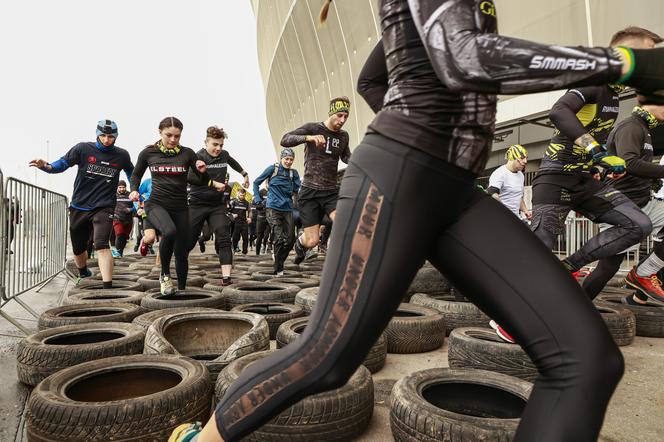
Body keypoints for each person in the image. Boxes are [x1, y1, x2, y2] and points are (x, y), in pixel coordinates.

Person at [174, 0, 664, 440]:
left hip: (457, 192)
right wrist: (625, 62)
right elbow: (464, 57)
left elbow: (378, 75)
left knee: (588, 359)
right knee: (328, 357)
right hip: (400, 173)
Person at [530, 27, 661, 278]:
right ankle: (506, 313)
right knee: (538, 253)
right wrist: (595, 149)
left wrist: (599, 165)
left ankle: (568, 266)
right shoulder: (593, 82)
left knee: (639, 225)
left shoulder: (614, 95)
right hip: (556, 179)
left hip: (588, 182)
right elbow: (559, 112)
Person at [29, 120, 133, 287]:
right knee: (79, 247)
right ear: (97, 134)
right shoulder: (83, 149)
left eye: (111, 136)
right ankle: (83, 271)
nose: (107, 140)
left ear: (116, 137)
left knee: (101, 244)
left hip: (104, 205)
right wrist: (46, 166)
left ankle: (108, 287)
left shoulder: (122, 155)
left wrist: (134, 188)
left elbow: (131, 172)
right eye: (103, 136)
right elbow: (62, 164)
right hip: (80, 205)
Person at [582, 100, 664, 303]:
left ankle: (644, 273)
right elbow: (629, 163)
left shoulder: (644, 129)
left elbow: (638, 167)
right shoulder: (631, 126)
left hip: (644, 203)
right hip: (622, 208)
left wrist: (652, 181)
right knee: (609, 266)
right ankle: (578, 306)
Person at [129, 117, 223, 295]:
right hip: (156, 204)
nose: (173, 140)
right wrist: (133, 190)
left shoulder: (187, 154)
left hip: (180, 208)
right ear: (160, 132)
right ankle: (164, 275)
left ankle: (181, 289)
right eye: (168, 135)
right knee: (169, 232)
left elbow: (199, 180)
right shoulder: (148, 153)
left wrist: (203, 171)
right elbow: (135, 175)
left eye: (177, 136)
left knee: (182, 252)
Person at [280, 96, 351, 264]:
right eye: (339, 115)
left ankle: (342, 259)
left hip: (330, 191)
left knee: (344, 221)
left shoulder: (343, 136)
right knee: (312, 241)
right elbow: (285, 139)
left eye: (346, 116)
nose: (342, 120)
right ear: (331, 113)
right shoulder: (313, 128)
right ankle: (300, 244)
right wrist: (308, 138)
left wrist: (362, 160)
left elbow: (346, 156)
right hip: (310, 191)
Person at [188, 126, 250, 285]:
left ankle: (227, 278)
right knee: (188, 241)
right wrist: (212, 183)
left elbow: (232, 162)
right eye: (215, 144)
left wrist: (244, 174)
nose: (218, 148)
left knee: (224, 238)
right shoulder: (198, 157)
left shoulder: (224, 155)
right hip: (197, 203)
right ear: (206, 142)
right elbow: (189, 178)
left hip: (217, 205)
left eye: (221, 145)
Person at [252, 148, 301, 275]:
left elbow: (296, 189)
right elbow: (256, 183)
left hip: (287, 209)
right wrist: (257, 198)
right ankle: (278, 269)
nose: (289, 162)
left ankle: (279, 260)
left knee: (290, 240)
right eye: (286, 159)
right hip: (273, 208)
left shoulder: (293, 173)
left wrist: (296, 184)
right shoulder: (272, 169)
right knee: (279, 238)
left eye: (291, 159)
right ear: (281, 158)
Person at [487, 144, 531, 220]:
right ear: (512, 158)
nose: (525, 161)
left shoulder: (521, 175)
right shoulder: (500, 173)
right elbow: (492, 193)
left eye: (526, 158)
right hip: (501, 218)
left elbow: (518, 197)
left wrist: (526, 211)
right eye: (522, 158)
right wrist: (506, 212)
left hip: (515, 218)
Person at [111, 180, 134, 257]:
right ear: (117, 187)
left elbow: (137, 205)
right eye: (120, 187)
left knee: (124, 237)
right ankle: (117, 252)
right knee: (119, 233)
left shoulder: (130, 195)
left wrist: (131, 209)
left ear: (125, 187)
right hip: (117, 218)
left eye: (123, 187)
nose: (121, 189)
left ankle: (121, 252)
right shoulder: (113, 195)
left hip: (128, 219)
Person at [230, 189, 251, 255]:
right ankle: (234, 249)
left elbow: (250, 211)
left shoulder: (246, 203)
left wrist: (249, 217)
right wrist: (232, 215)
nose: (242, 196)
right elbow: (227, 211)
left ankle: (244, 252)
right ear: (238, 194)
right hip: (235, 223)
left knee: (245, 238)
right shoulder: (233, 201)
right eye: (241, 195)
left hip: (244, 223)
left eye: (243, 195)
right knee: (235, 238)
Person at [253, 189, 269, 255]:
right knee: (259, 236)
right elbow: (255, 205)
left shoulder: (273, 191)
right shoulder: (261, 192)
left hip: (270, 217)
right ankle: (257, 253)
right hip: (261, 217)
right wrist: (263, 205)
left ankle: (265, 246)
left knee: (267, 236)